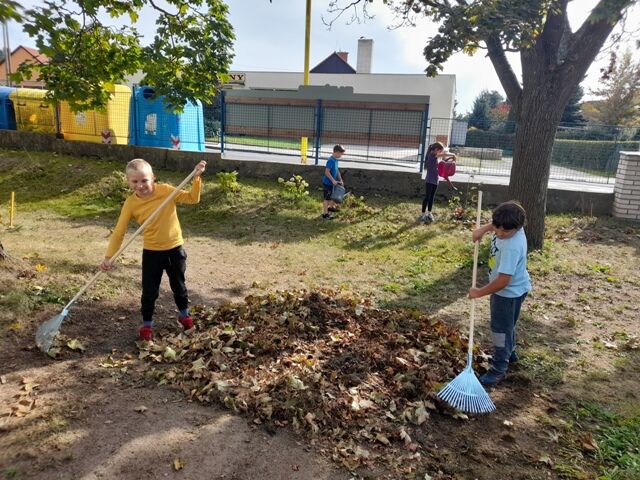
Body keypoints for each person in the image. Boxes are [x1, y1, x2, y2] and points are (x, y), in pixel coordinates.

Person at [100, 158, 206, 341]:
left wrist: (196, 178)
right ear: (129, 182)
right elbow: (119, 233)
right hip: (152, 253)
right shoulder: (131, 204)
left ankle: (184, 314)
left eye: (144, 180)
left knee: (178, 286)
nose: (140, 185)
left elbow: (192, 198)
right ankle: (147, 324)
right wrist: (109, 257)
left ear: (153, 178)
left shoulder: (165, 191)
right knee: (149, 291)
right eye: (135, 182)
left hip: (174, 249)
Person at [468, 201, 532, 386]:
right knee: (507, 325)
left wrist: (479, 292)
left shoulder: (512, 246)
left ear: (517, 228)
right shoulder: (509, 225)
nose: (500, 233)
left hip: (507, 293)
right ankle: (509, 353)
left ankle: (498, 369)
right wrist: (483, 230)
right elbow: (498, 223)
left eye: (506, 232)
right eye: (497, 229)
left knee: (500, 330)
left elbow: (504, 281)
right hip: (516, 289)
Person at [420, 141, 456, 223]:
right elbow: (442, 155)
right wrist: (452, 155)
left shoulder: (435, 156)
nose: (441, 152)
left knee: (432, 197)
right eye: (440, 150)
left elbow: (440, 164)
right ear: (436, 149)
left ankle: (429, 213)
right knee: (427, 197)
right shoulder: (432, 155)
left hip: (435, 180)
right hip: (429, 180)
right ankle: (423, 214)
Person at [321, 144, 345, 220]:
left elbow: (337, 170)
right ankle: (325, 214)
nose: (341, 155)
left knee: (333, 196)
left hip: (332, 183)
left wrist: (340, 179)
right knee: (326, 199)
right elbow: (326, 172)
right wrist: (333, 180)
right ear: (337, 152)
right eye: (341, 154)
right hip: (328, 183)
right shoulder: (330, 161)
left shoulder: (336, 160)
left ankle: (330, 208)